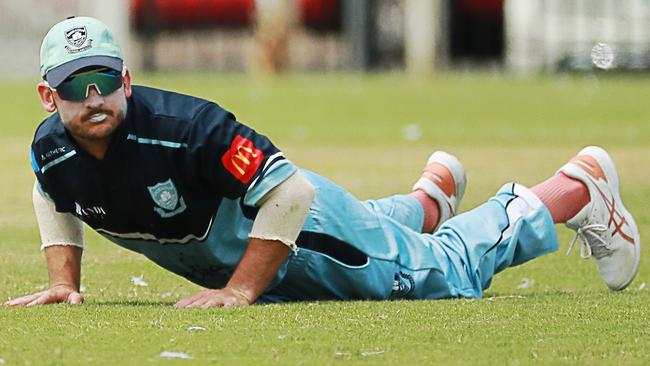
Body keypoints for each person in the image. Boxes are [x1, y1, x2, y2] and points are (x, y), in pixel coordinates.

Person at [6, 17, 640, 308]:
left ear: (127, 79)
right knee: (378, 233)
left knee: (441, 276)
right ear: (47, 95)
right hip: (273, 242)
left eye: (103, 82)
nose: (92, 99)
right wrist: (66, 282)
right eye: (73, 86)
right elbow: (52, 192)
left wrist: (240, 290)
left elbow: (289, 194)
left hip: (298, 234)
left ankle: (574, 188)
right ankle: (430, 201)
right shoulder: (50, 147)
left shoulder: (190, 128)